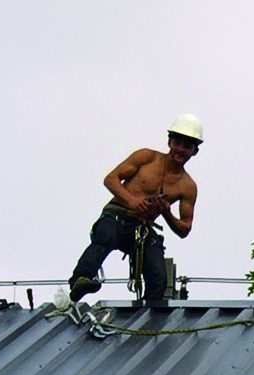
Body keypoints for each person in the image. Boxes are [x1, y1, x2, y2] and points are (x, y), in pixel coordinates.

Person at [67, 115, 203, 310]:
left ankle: (148, 314)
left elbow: (184, 228)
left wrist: (166, 212)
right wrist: (132, 201)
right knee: (107, 237)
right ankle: (81, 279)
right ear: (169, 142)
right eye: (177, 143)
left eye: (187, 146)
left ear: (194, 151)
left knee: (158, 276)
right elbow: (111, 179)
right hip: (117, 215)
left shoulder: (187, 186)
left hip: (141, 228)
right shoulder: (146, 157)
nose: (180, 149)